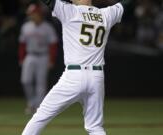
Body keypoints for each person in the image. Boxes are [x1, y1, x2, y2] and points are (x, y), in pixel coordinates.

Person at [22, 0, 129, 134]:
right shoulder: (106, 14)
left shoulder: (69, 11)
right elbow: (125, 4)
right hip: (97, 77)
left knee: (41, 116)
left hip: (74, 76)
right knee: (95, 127)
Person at [19, 3, 58, 114]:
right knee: (25, 80)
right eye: (30, 14)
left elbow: (53, 45)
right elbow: (22, 44)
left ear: (39, 14)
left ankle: (38, 107)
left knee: (41, 83)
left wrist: (51, 60)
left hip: (43, 56)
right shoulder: (26, 26)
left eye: (33, 13)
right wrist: (21, 57)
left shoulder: (47, 27)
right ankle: (31, 104)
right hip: (30, 55)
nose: (31, 16)